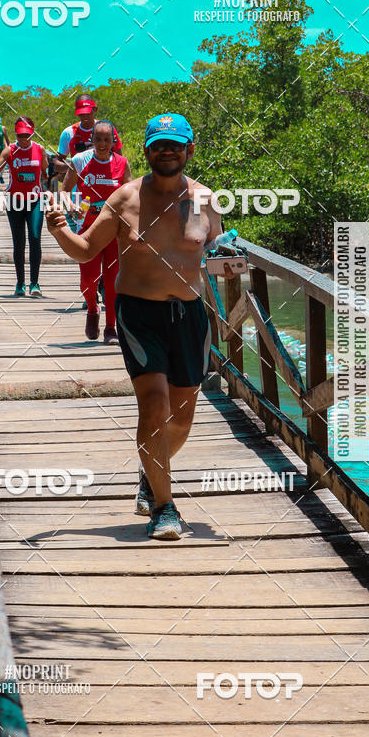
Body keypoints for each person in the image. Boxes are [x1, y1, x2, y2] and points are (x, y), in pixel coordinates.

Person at [46, 113, 230, 540]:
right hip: (138, 314)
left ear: (189, 149)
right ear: (146, 150)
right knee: (154, 404)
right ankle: (165, 510)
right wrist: (58, 231)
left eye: (176, 144)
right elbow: (86, 249)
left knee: (181, 419)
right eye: (159, 144)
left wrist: (228, 262)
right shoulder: (124, 199)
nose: (168, 151)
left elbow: (217, 249)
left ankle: (151, 475)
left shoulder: (206, 200)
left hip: (190, 315)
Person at [60, 121, 131, 344]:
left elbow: (130, 197)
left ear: (113, 142)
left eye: (106, 139)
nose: (102, 144)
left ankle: (111, 328)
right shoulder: (80, 161)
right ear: (91, 139)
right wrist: (70, 206)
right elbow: (63, 190)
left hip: (113, 232)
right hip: (88, 231)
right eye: (97, 139)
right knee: (88, 280)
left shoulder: (122, 163)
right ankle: (92, 309)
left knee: (112, 282)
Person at [0, 117, 47, 297]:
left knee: (36, 237)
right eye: (21, 135)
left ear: (32, 132)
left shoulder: (40, 150)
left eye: (27, 135)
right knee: (19, 242)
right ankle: (20, 283)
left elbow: (46, 172)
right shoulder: (10, 150)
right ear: (16, 133)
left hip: (35, 200)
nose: (24, 139)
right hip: (14, 200)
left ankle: (35, 283)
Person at [55, 94, 123, 174]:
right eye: (81, 114)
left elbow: (119, 159)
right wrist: (75, 166)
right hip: (78, 183)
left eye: (88, 113)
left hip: (105, 180)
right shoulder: (68, 133)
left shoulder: (108, 129)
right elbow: (57, 164)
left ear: (95, 110)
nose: (85, 117)